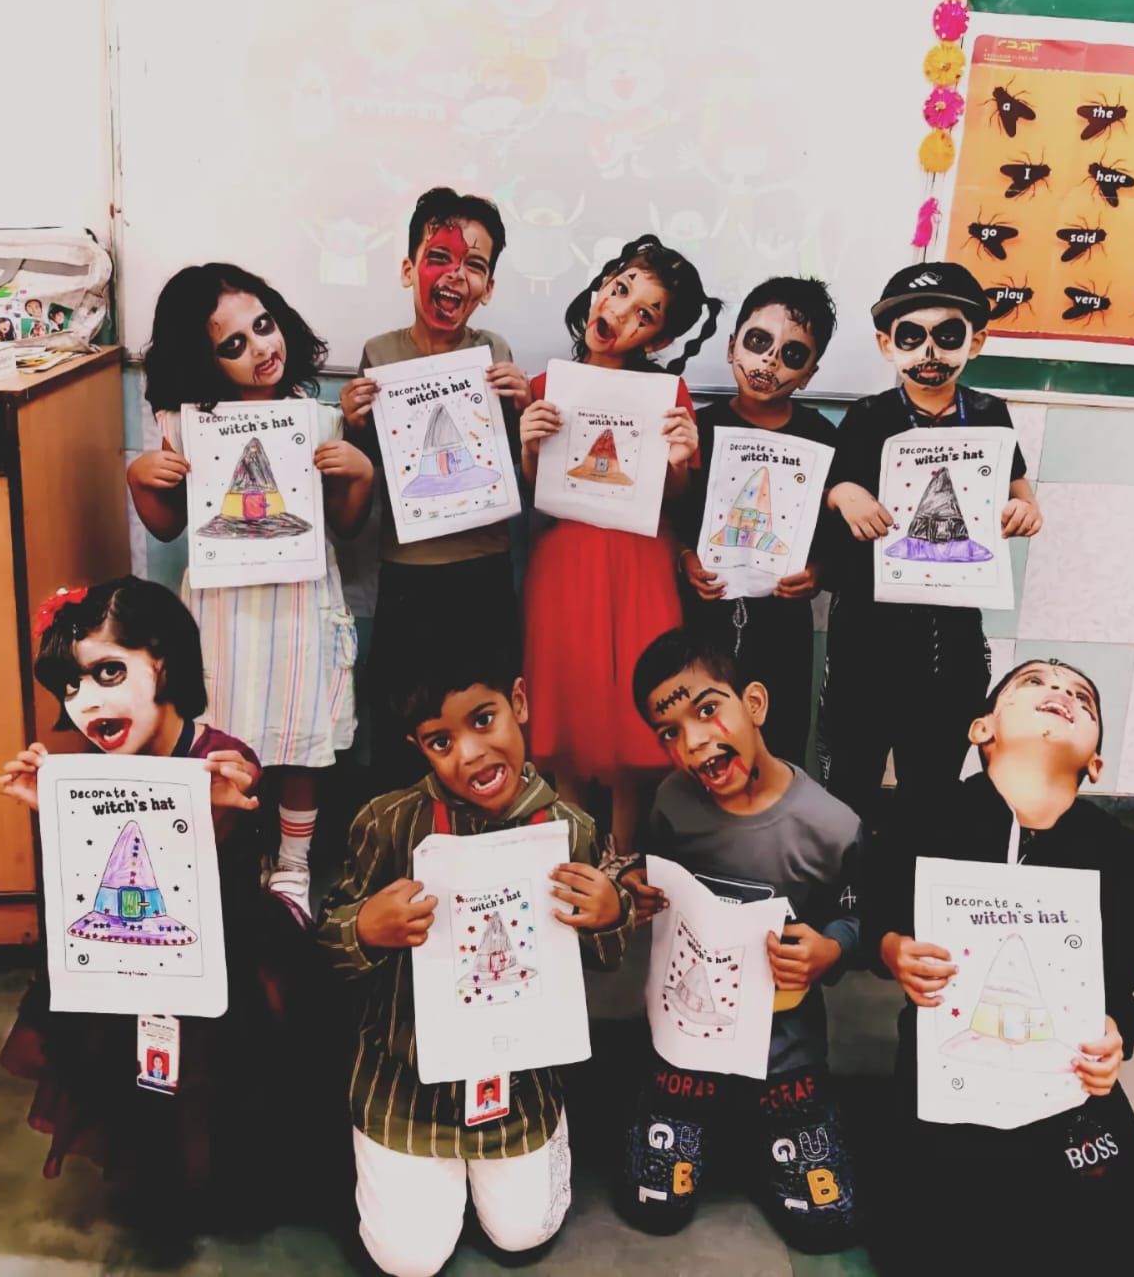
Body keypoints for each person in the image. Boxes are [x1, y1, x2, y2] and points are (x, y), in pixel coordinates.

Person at [0, 578, 326, 1227]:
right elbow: (84, 887)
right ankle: (157, 1167)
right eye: (70, 687)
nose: (87, 703)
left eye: (108, 672)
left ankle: (214, 1178)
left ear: (164, 661)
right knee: (134, 1082)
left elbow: (222, 897)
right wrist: (52, 807)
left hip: (217, 955)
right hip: (126, 963)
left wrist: (224, 815)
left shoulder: (222, 761)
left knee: (214, 1082)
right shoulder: (90, 768)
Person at [318, 638, 634, 1277]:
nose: (469, 754)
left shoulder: (570, 829)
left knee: (523, 1233)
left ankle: (523, 1159)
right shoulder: (387, 824)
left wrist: (611, 912)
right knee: (409, 1260)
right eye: (440, 741)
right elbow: (328, 939)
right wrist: (366, 929)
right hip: (406, 1086)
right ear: (417, 746)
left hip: (518, 1084)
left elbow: (604, 958)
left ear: (519, 702)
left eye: (484, 720)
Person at [870, 659, 1134, 1273]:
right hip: (948, 1066)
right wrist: (891, 948)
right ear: (981, 729)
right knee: (933, 1247)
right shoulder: (923, 816)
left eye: (1083, 698)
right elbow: (876, 906)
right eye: (1034, 683)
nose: (1060, 693)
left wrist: (1116, 1031)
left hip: (1067, 1077)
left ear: (1095, 763)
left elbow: (1122, 977)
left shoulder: (1121, 852)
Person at [126, 264, 373, 914]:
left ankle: (293, 864)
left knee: (301, 741)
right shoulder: (184, 425)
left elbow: (346, 525)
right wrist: (142, 478)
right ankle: (232, 862)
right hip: (224, 615)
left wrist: (359, 475)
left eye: (263, 325)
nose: (261, 347)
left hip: (300, 609)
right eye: (233, 343)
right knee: (221, 736)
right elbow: (168, 524)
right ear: (202, 359)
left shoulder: (317, 421)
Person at [617, 628, 863, 1253]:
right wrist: (636, 885)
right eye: (669, 732)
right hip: (688, 1038)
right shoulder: (672, 803)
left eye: (707, 710)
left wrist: (831, 949)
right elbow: (652, 870)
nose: (693, 742)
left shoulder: (832, 827)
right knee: (654, 1206)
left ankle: (767, 1124)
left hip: (786, 1050)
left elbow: (861, 913)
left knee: (827, 1221)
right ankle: (694, 1110)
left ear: (754, 704)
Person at [819, 260, 1042, 825]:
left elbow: (1019, 488)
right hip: (867, 626)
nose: (929, 351)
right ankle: (846, 871)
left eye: (947, 335)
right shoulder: (868, 416)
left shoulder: (989, 413)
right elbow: (833, 485)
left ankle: (915, 867)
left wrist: (1024, 508)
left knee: (934, 773)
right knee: (851, 768)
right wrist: (847, 495)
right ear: (886, 344)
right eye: (911, 336)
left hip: (952, 630)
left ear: (976, 341)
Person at [520, 234, 722, 855]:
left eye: (645, 314)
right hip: (568, 558)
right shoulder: (543, 384)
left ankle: (626, 854)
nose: (621, 312)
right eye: (620, 290)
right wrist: (529, 441)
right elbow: (536, 487)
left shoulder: (668, 398)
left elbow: (673, 495)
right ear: (602, 285)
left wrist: (681, 459)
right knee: (570, 700)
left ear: (656, 340)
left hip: (640, 559)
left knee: (636, 702)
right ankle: (573, 851)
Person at [339, 187, 530, 791]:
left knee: (487, 707)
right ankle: (404, 826)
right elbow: (373, 472)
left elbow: (505, 463)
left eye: (474, 264)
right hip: (408, 572)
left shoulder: (493, 353)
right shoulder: (379, 354)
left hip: (482, 569)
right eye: (439, 257)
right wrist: (353, 421)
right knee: (406, 711)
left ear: (488, 287)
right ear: (409, 269)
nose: (454, 275)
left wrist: (520, 408)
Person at [677, 276, 839, 766]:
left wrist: (819, 572)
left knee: (779, 741)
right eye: (758, 341)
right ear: (732, 346)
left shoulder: (822, 439)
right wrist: (684, 558)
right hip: (702, 617)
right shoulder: (697, 428)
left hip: (782, 623)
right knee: (702, 735)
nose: (769, 362)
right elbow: (672, 514)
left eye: (792, 354)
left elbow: (834, 535)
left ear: (809, 374)